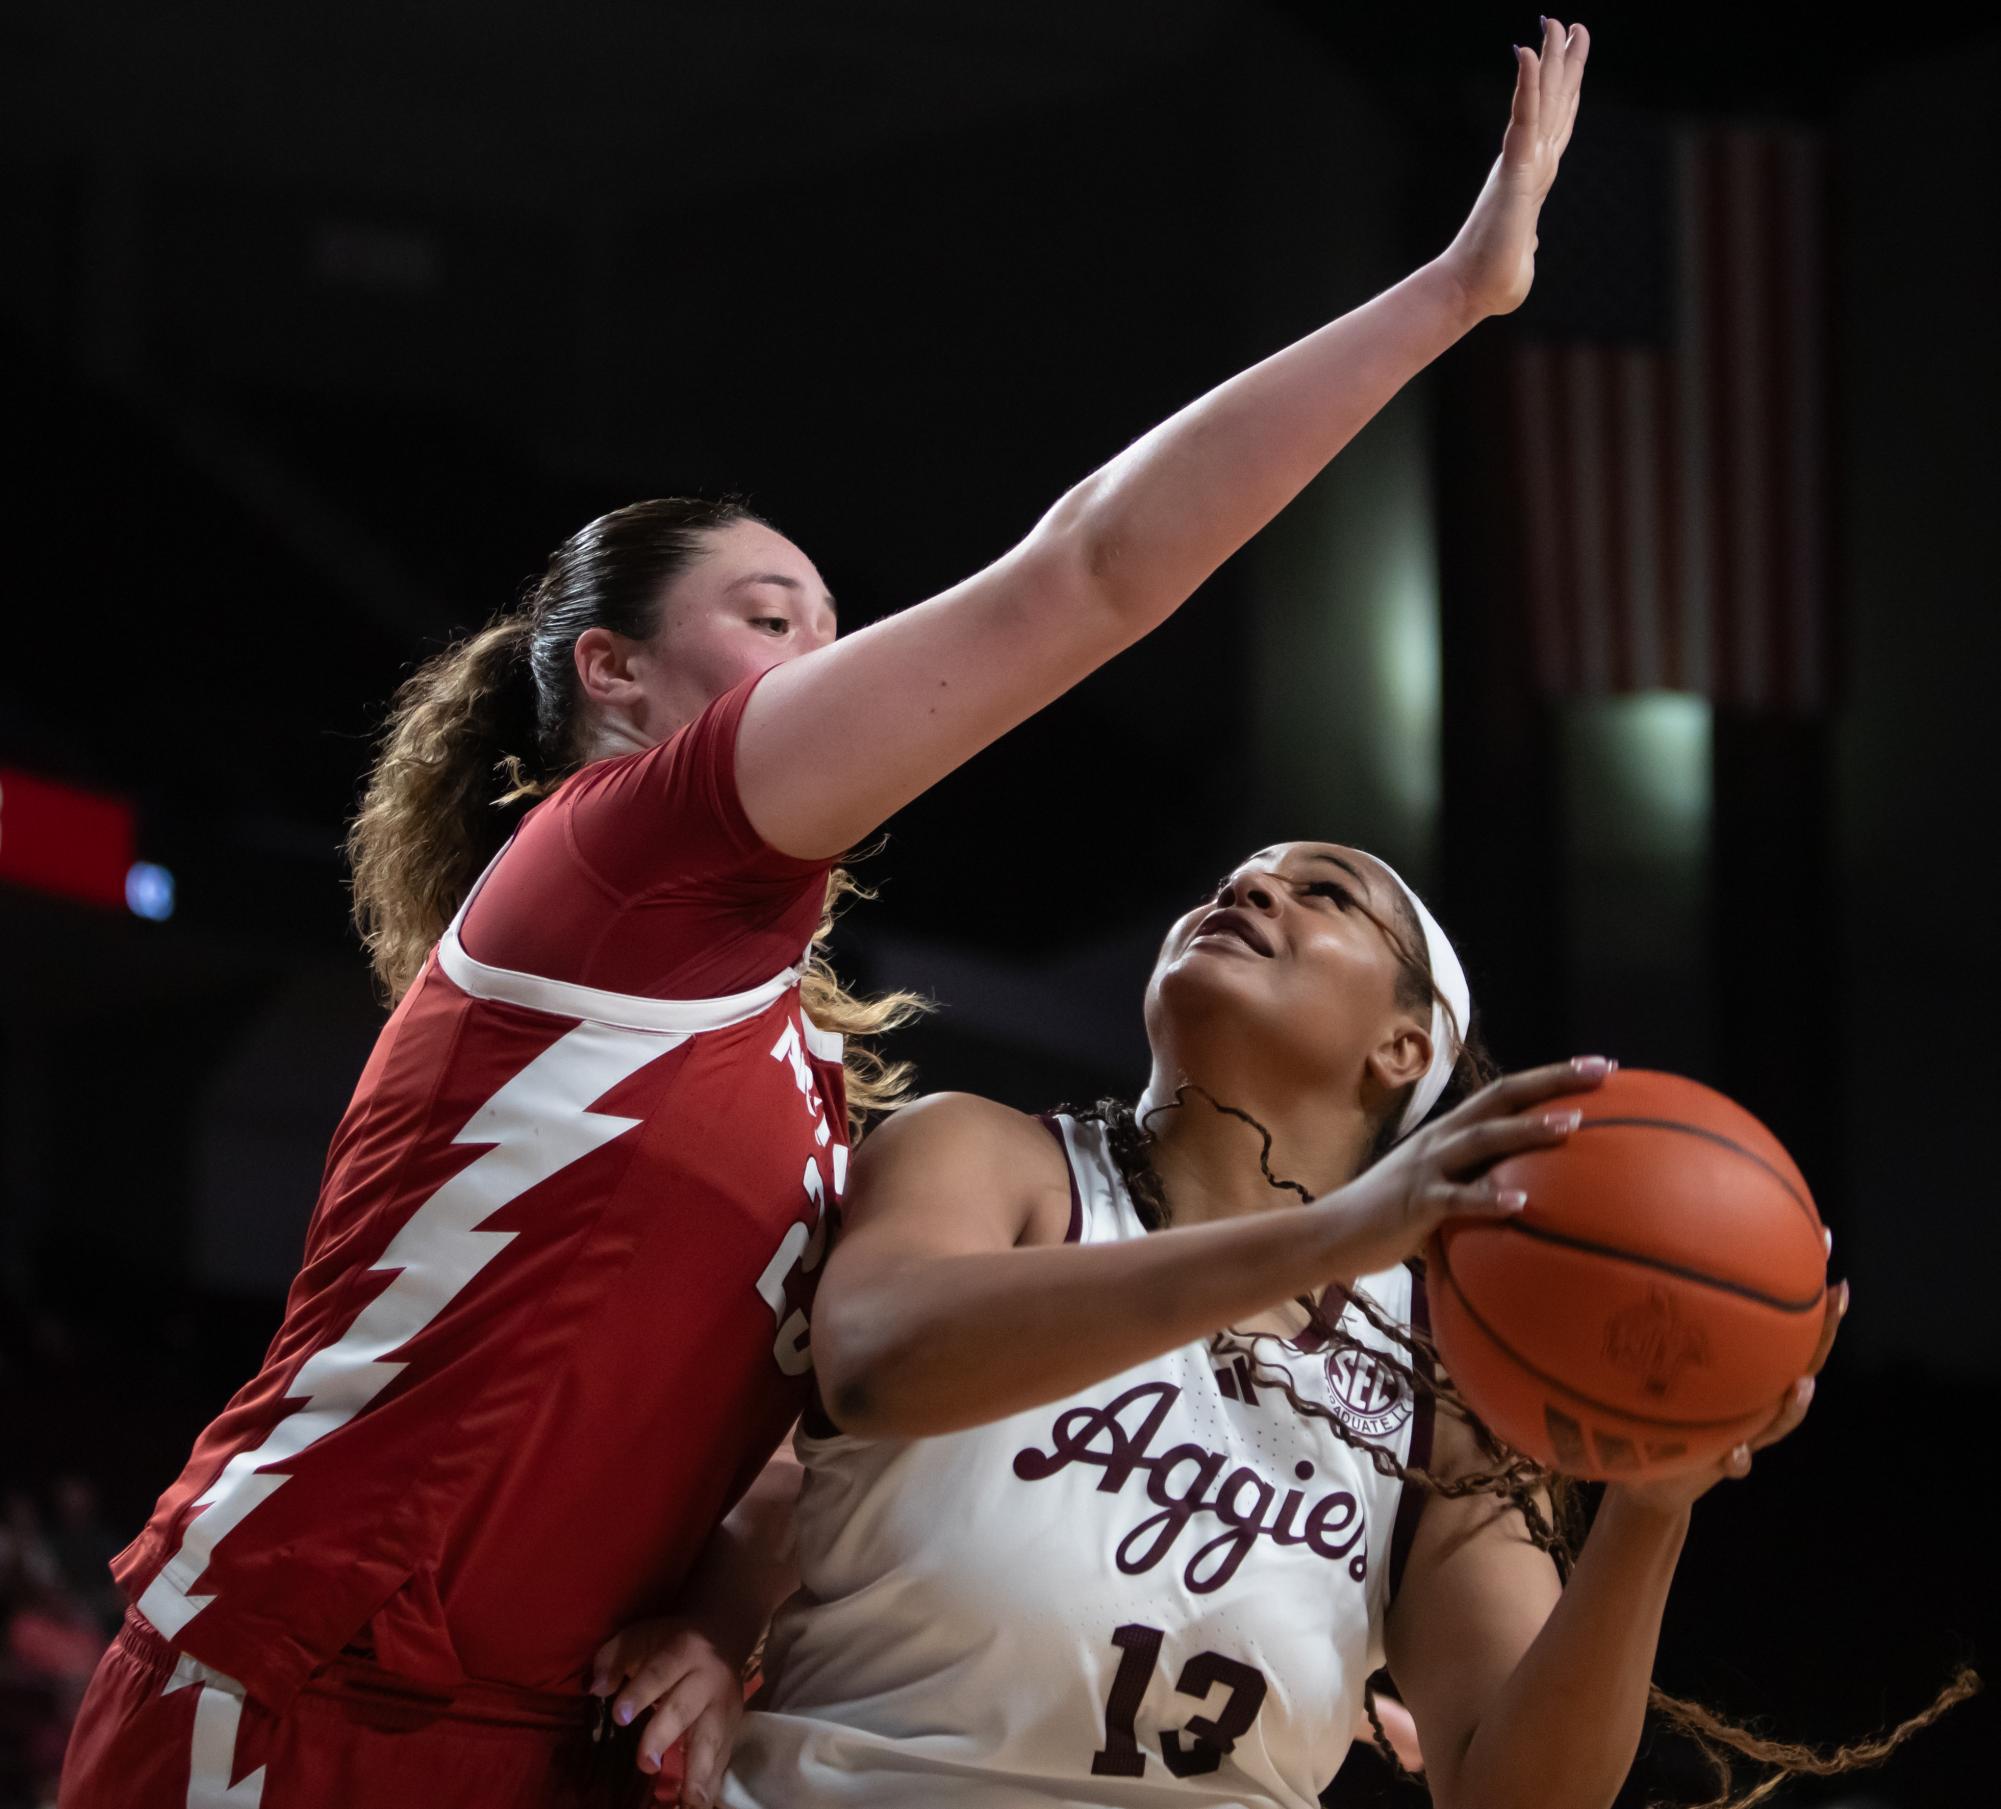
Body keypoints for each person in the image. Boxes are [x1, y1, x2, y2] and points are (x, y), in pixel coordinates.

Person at [63, 20, 1597, 1809]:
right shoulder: (615, 864)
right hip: (310, 1665)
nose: (838, 660)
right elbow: (1094, 567)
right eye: (778, 616)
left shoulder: (784, 1056)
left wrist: (733, 1609)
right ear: (615, 677)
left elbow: (808, 1440)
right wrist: (1448, 296)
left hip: (529, 1724)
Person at [600, 838, 1842, 1809]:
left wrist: (1650, 1514)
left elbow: (1509, 1788)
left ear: (1405, 1047)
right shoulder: (993, 1157)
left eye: (1327, 894)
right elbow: (874, 1364)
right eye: (1240, 879)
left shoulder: (1441, 1371)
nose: (1255, 892)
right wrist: (1341, 1233)